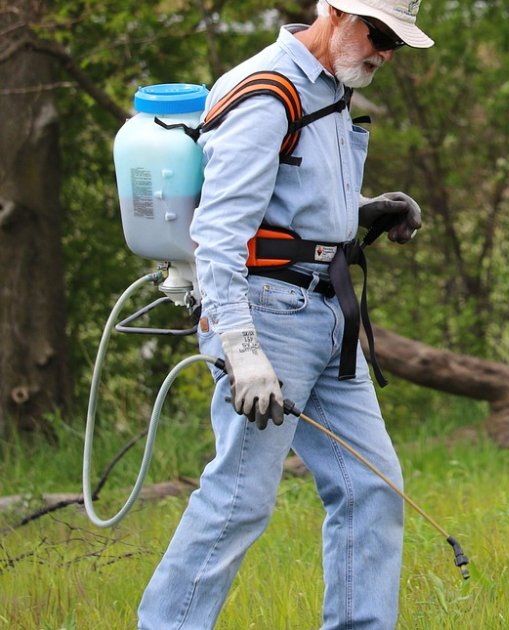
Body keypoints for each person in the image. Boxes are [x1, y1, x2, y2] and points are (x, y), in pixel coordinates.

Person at [138, 1, 432, 628]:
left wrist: (365, 210)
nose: (383, 52)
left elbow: (294, 202)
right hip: (269, 317)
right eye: (377, 33)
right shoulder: (269, 91)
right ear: (333, 12)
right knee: (238, 500)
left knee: (371, 487)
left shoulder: (328, 86)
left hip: (329, 313)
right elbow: (217, 233)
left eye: (394, 44)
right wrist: (243, 351)